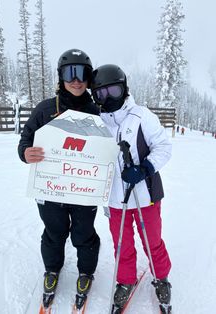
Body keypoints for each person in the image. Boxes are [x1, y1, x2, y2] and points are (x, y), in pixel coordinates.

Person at [18, 49, 100, 309]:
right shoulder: (45, 109)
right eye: (70, 73)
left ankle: (86, 272)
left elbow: (109, 147)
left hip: (84, 188)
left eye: (82, 74)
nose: (76, 80)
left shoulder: (97, 112)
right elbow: (25, 139)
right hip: (51, 187)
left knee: (83, 233)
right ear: (61, 76)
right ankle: (52, 270)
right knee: (54, 232)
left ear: (89, 78)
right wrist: (25, 152)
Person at [91, 64, 172, 312]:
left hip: (146, 195)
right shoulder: (96, 123)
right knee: (121, 244)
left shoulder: (141, 116)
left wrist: (144, 168)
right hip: (116, 200)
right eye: (102, 93)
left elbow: (163, 148)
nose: (108, 98)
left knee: (152, 240)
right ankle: (125, 281)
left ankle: (161, 277)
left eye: (113, 90)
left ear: (124, 89)